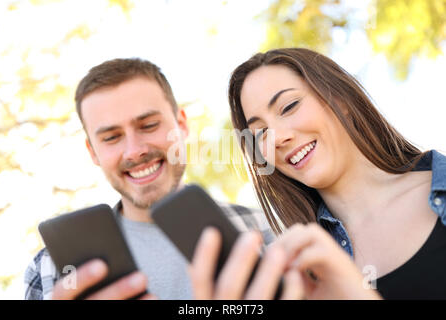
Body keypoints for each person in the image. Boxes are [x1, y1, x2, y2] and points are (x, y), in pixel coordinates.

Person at [189, 47, 446, 300]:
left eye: (288, 107)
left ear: (341, 101)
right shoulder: (299, 274)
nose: (277, 138)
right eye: (261, 132)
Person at [23, 58, 275, 300]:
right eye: (111, 137)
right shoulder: (49, 270)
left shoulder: (265, 231)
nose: (134, 151)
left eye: (149, 125)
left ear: (181, 125)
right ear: (93, 152)